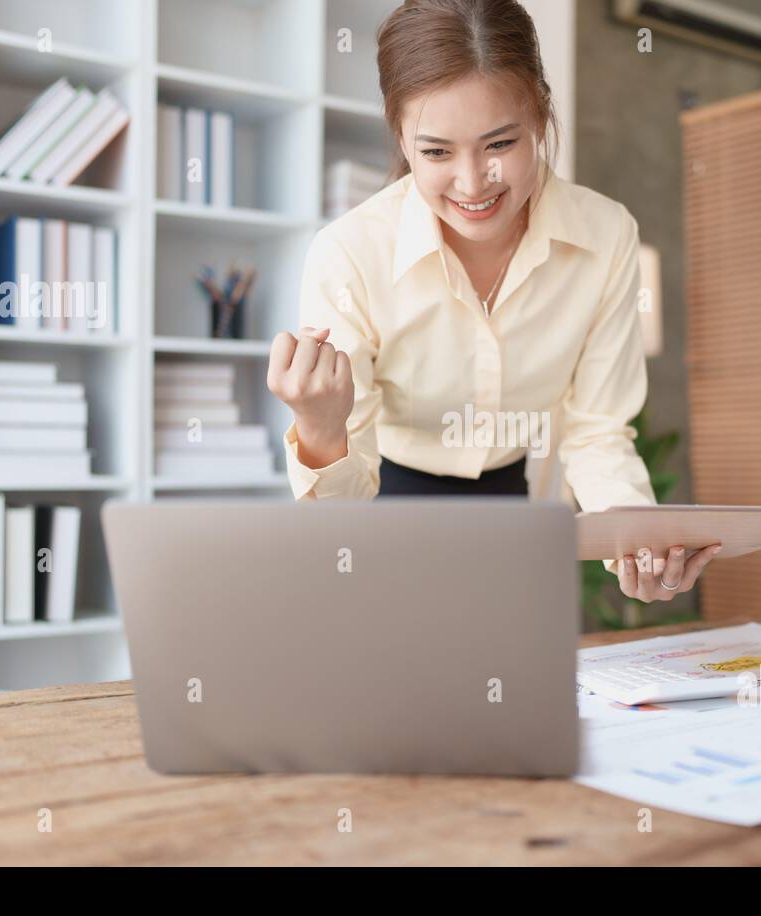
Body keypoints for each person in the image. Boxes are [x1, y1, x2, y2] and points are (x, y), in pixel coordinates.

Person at [266, 0, 717, 603]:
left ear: (540, 113)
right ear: (401, 135)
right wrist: (321, 429)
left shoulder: (607, 236)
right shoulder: (349, 253)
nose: (474, 183)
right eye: (436, 153)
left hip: (509, 501)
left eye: (500, 142)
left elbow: (598, 431)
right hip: (382, 500)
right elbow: (339, 513)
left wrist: (637, 538)